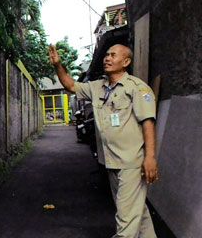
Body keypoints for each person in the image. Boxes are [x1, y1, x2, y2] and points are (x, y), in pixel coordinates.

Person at [49, 43, 158, 238]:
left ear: (126, 62)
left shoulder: (137, 88)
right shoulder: (97, 87)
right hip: (111, 161)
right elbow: (71, 85)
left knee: (125, 222)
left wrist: (150, 157)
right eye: (106, 55)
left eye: (113, 55)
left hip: (131, 162)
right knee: (137, 215)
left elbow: (148, 122)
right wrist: (57, 65)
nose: (107, 58)